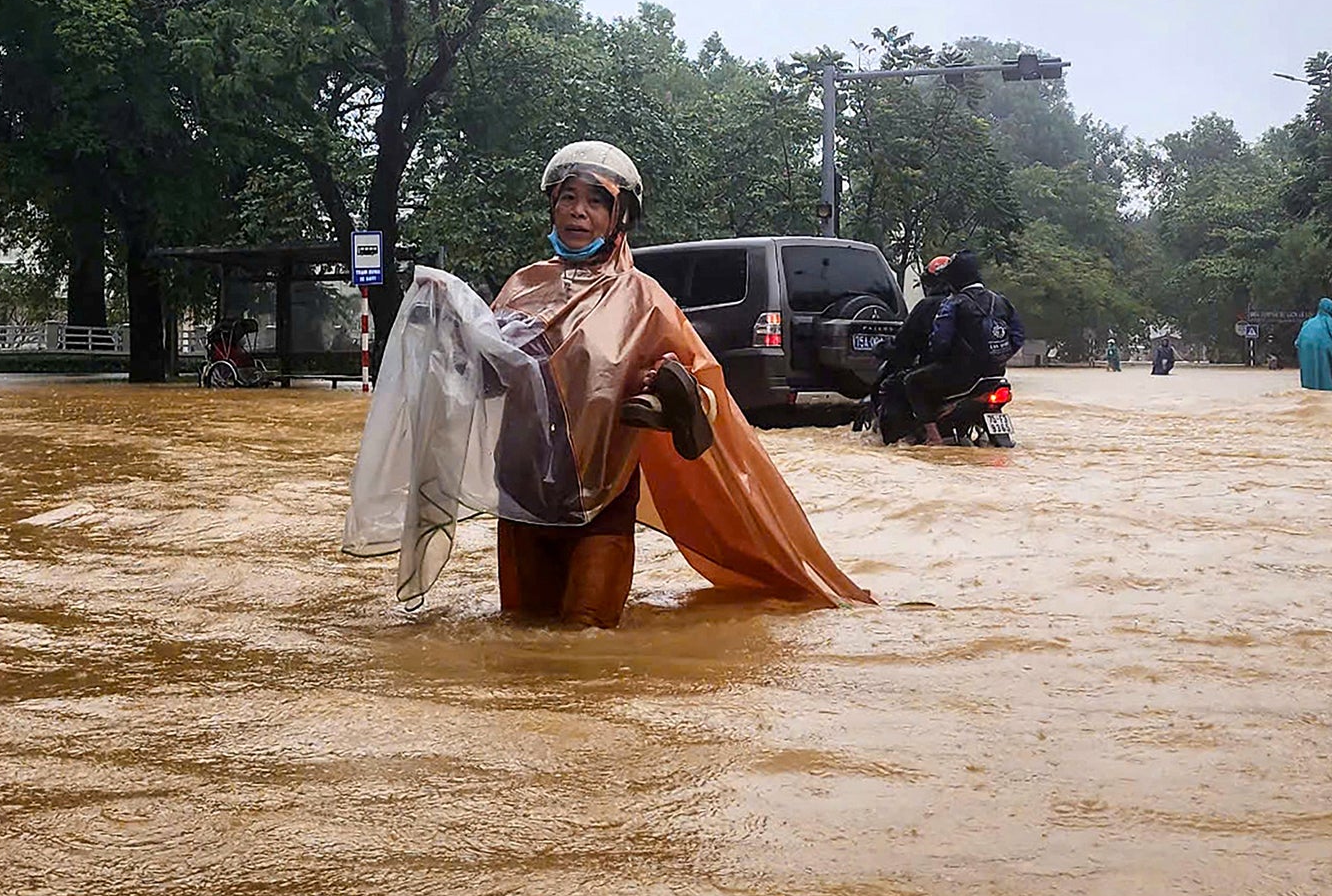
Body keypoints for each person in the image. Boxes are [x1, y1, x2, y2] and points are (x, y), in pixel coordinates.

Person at [346, 141, 871, 626]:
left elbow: (709, 395)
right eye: (567, 198)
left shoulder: (645, 299)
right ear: (552, 207)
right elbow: (488, 384)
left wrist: (676, 401)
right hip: (523, 494)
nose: (578, 211)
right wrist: (449, 333)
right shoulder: (523, 286)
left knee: (586, 635)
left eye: (595, 202)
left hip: (602, 499)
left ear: (618, 217)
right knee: (523, 640)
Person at [903, 250, 1024, 436]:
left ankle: (933, 437)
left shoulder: (953, 303)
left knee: (912, 382)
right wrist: (1000, 357)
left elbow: (940, 342)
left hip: (959, 376)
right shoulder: (1001, 301)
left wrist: (940, 357)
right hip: (994, 375)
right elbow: (1018, 336)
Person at [870, 255, 954, 445]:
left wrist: (882, 349)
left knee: (893, 386)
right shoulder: (977, 302)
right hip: (975, 374)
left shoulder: (928, 307)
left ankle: (895, 439)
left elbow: (904, 345)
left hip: (937, 372)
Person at [1295, 297, 1332, 391]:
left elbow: (1298, 343)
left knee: (1310, 390)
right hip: (1327, 356)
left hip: (1308, 361)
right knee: (1331, 387)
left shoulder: (1307, 323)